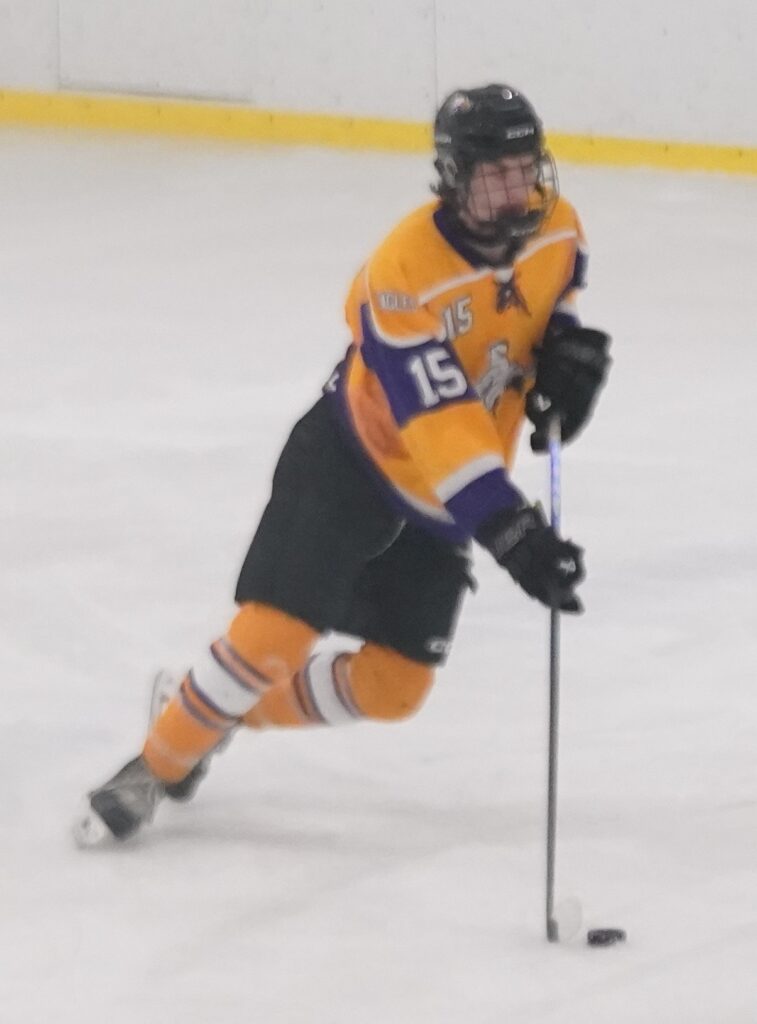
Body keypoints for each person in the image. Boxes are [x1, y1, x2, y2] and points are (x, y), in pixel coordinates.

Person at [75, 83, 611, 846]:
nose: (516, 189)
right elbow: (439, 426)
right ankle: (157, 762)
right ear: (454, 176)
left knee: (396, 687)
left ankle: (207, 711)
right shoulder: (401, 273)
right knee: (275, 635)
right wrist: (510, 531)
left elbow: (554, 305)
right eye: (495, 173)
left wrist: (564, 363)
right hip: (352, 460)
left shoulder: (558, 228)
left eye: (525, 168)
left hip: (442, 498)